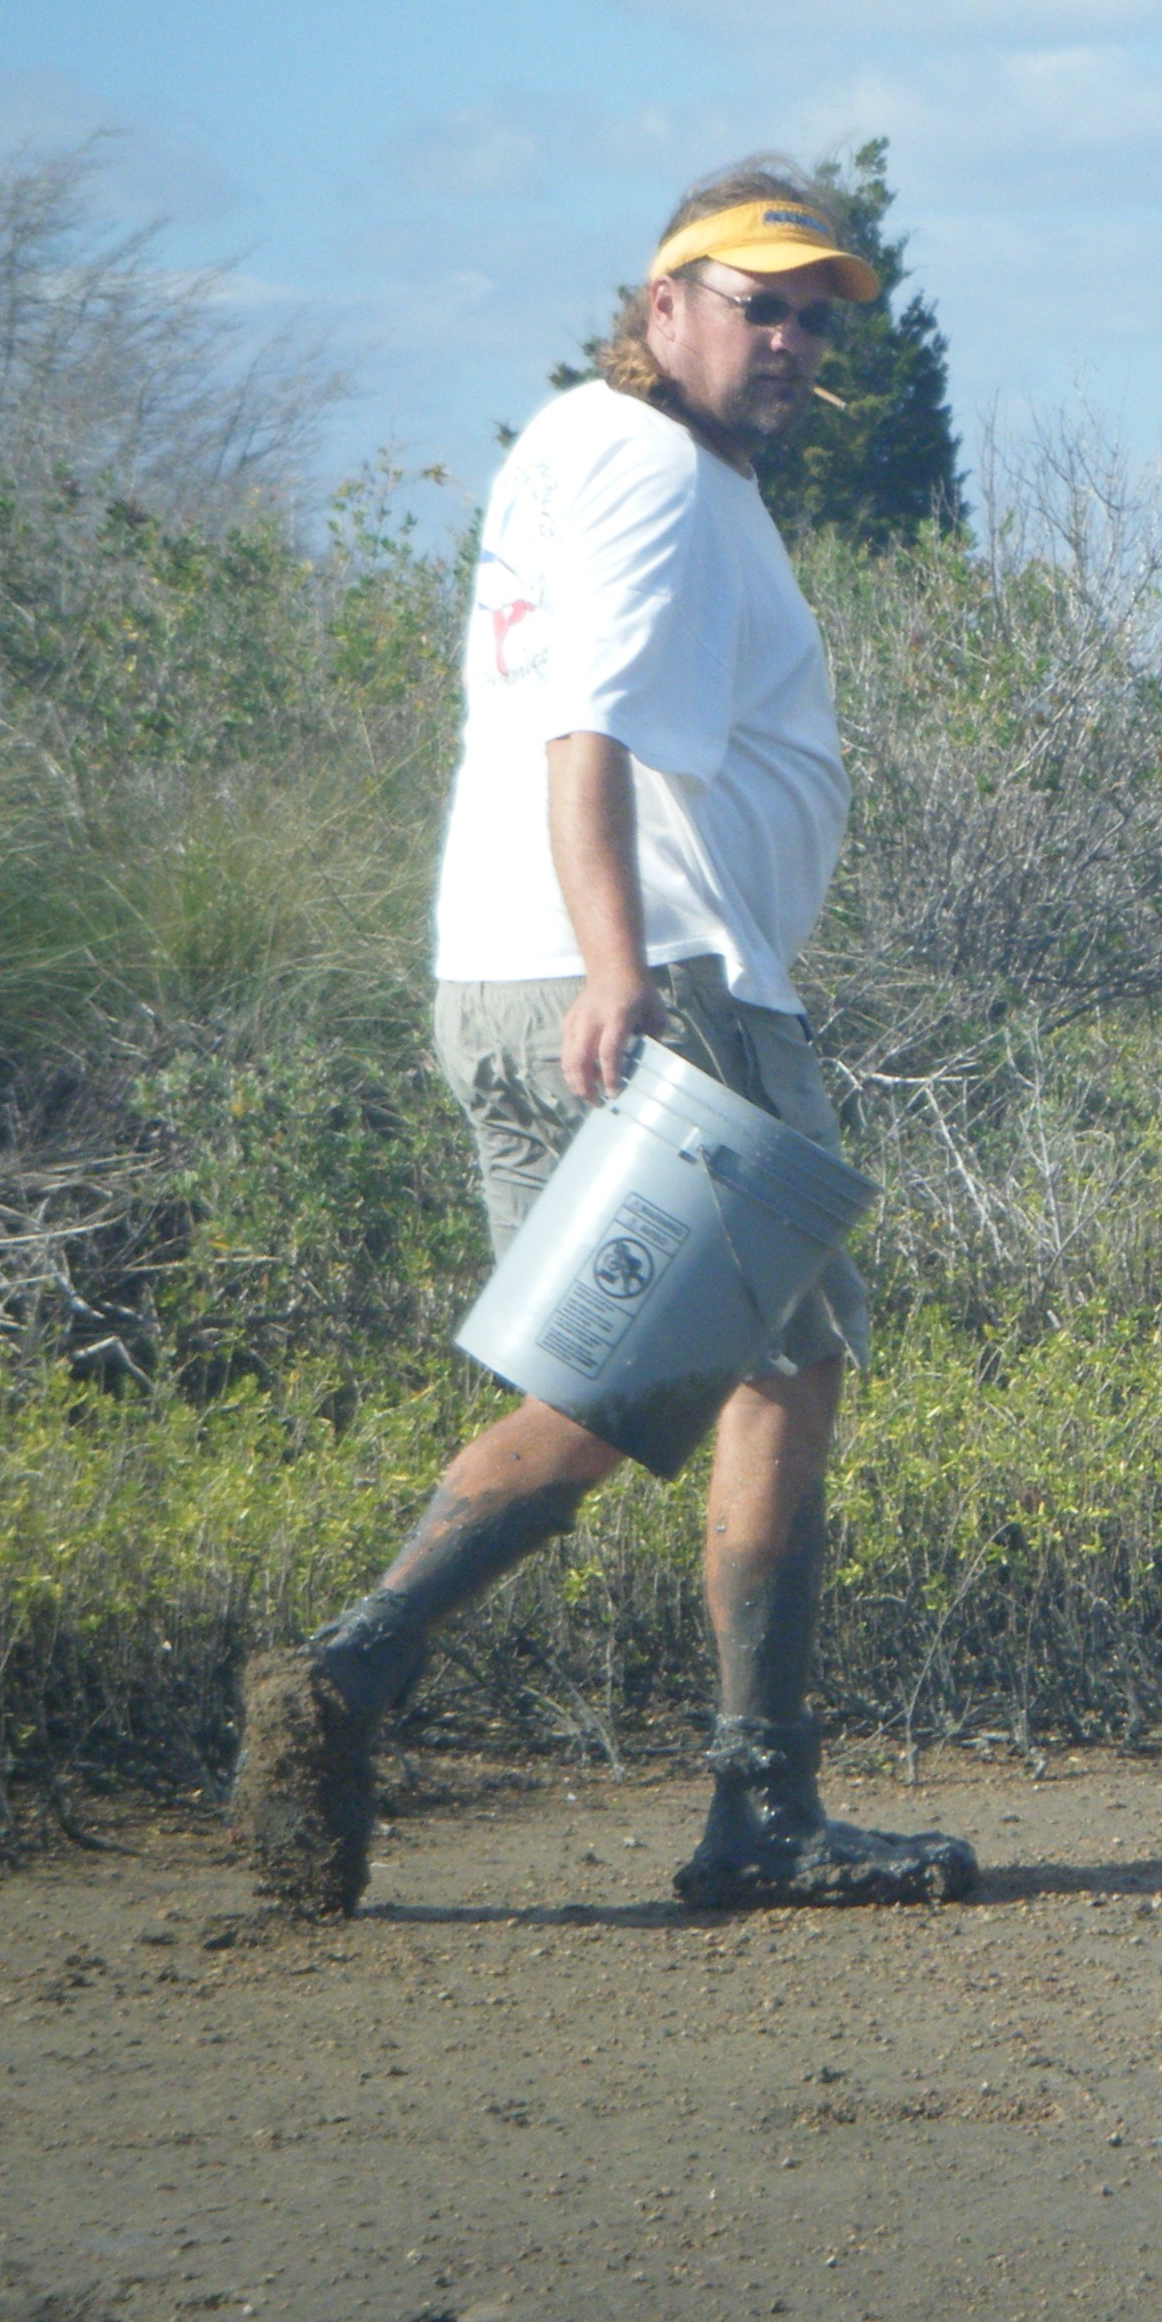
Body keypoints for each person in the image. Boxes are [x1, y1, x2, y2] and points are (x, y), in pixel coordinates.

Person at [229, 161, 975, 1920]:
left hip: (510, 971)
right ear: (664, 308)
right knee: (698, 1372)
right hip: (666, 981)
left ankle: (738, 1791)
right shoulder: (651, 463)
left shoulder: (581, 448)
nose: (789, 342)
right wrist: (621, 967)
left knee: (701, 1367)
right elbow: (593, 729)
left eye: (813, 319)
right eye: (755, 305)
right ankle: (357, 1676)